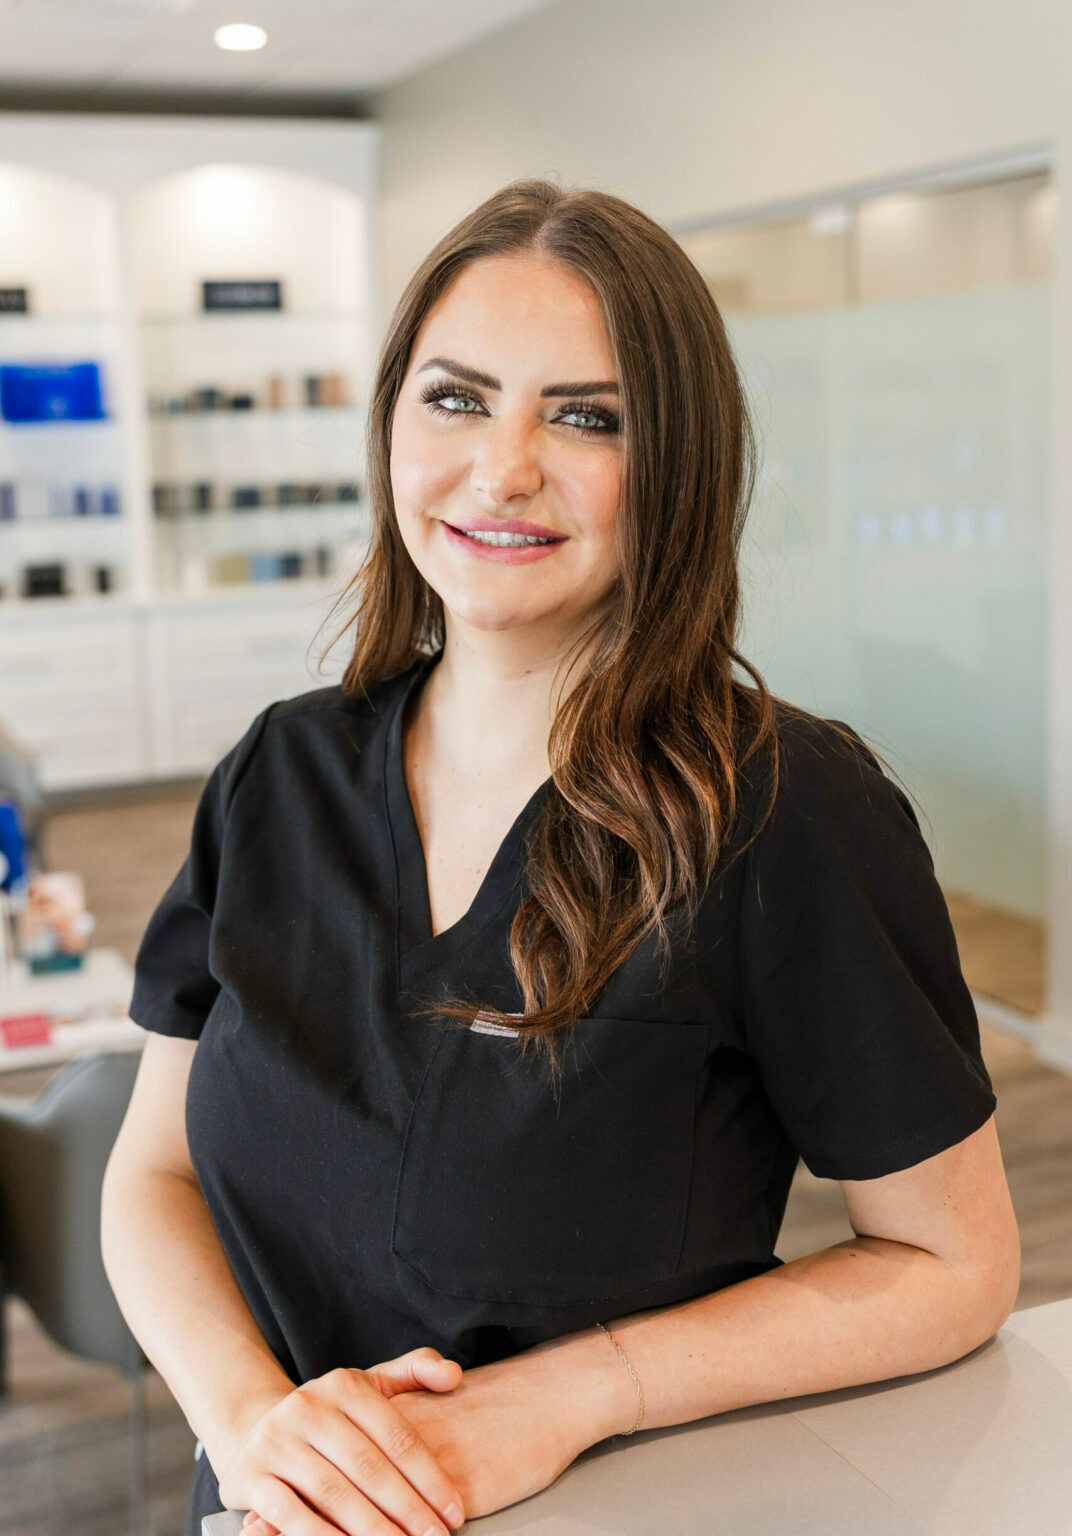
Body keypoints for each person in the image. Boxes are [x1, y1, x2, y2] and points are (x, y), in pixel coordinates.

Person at [101, 178, 1020, 1536]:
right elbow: (153, 1175)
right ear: (392, 420)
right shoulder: (276, 776)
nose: (504, 467)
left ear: (679, 467)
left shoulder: (778, 808)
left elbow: (953, 1262)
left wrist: (569, 1395)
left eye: (587, 417)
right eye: (457, 398)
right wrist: (251, 1427)